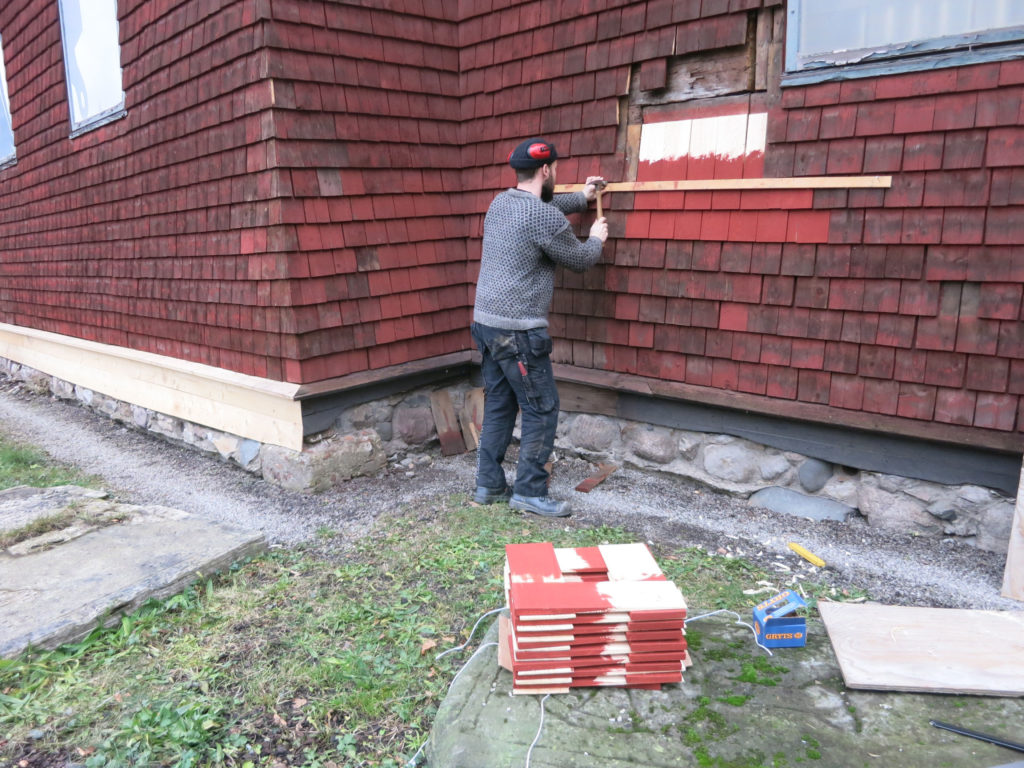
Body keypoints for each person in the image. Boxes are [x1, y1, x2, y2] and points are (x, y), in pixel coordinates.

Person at [471, 137, 609, 517]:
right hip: (517, 332)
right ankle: (529, 492)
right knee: (542, 408)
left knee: (500, 403)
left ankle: (489, 485)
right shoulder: (543, 217)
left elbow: (544, 207)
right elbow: (579, 260)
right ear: (546, 171)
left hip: (485, 324)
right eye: (556, 171)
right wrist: (596, 240)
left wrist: (582, 196)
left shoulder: (501, 202)